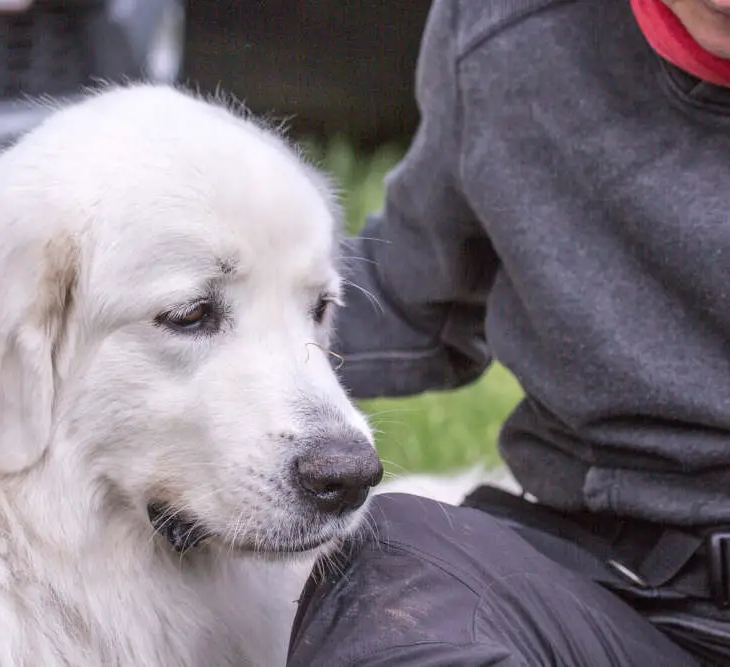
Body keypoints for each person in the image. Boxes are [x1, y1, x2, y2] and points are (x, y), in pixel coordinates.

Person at [286, 0, 730, 665]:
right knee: (400, 569)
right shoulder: (506, 31)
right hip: (621, 587)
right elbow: (408, 295)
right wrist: (201, 329)